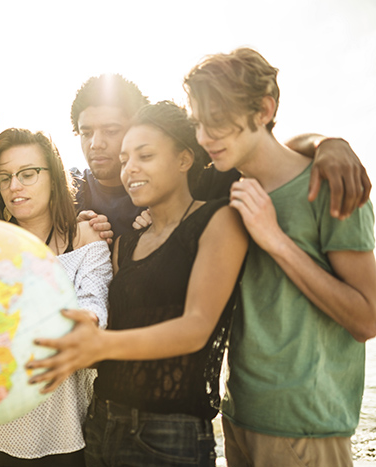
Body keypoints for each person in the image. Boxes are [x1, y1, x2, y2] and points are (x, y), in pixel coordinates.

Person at [28, 101, 248, 466]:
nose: (130, 169)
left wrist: (100, 344)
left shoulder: (218, 220)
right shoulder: (125, 243)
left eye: (145, 156)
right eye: (126, 158)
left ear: (184, 158)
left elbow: (196, 327)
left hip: (170, 435)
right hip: (101, 422)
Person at [185, 47, 376, 467]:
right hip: (239, 417)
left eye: (215, 120)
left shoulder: (331, 185)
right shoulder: (229, 187)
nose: (203, 137)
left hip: (304, 427)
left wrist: (275, 240)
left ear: (264, 110)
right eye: (197, 122)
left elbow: (368, 319)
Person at [0, 128, 112, 466]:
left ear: (53, 177)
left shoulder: (86, 241)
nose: (14, 186)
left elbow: (94, 308)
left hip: (63, 432)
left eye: (27, 174)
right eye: (5, 177)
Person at [70, 74, 372, 238]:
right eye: (86, 133)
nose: (96, 143)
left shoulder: (194, 181)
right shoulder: (68, 193)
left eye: (111, 130)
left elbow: (261, 153)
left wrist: (327, 144)